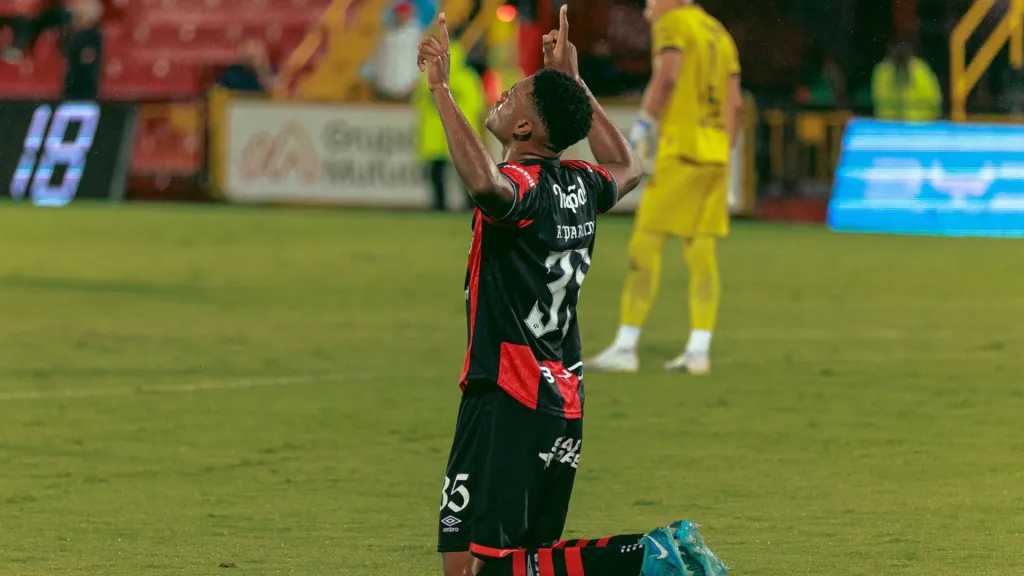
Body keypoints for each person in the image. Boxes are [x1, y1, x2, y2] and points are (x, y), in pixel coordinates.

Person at [420, 7, 728, 576]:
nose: (504, 94)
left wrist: (441, 89)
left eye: (514, 94)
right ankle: (653, 556)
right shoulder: (582, 186)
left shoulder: (527, 188)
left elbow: (485, 183)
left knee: (489, 571)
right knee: (469, 564)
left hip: (508, 396)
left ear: (523, 131)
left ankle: (646, 556)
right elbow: (628, 166)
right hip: (557, 399)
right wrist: (578, 88)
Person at [587, 0, 742, 375]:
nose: (647, 11)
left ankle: (626, 346)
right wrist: (725, 157)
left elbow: (668, 75)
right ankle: (698, 350)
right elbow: (734, 105)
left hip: (682, 151)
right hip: (715, 155)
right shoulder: (719, 32)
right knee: (701, 253)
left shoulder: (673, 23)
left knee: (646, 245)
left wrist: (645, 121)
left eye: (651, 1)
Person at [413, 37, 485, 211]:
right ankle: (469, 206)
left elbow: (419, 104)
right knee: (466, 173)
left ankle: (440, 205)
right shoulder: (468, 79)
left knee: (439, 173)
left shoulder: (428, 78)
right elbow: (478, 107)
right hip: (460, 132)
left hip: (435, 134)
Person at [871, 40, 942, 121]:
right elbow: (936, 100)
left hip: (915, 123)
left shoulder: (883, 70)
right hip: (896, 124)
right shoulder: (921, 68)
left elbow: (935, 100)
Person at [370, 1, 422, 101]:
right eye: (399, 13)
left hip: (408, 90)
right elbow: (379, 60)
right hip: (384, 89)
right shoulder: (387, 35)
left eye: (405, 13)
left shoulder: (416, 36)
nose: (401, 16)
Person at [63, 0, 102, 100]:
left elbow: (86, 59)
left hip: (85, 84)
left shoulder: (92, 36)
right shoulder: (71, 34)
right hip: (72, 81)